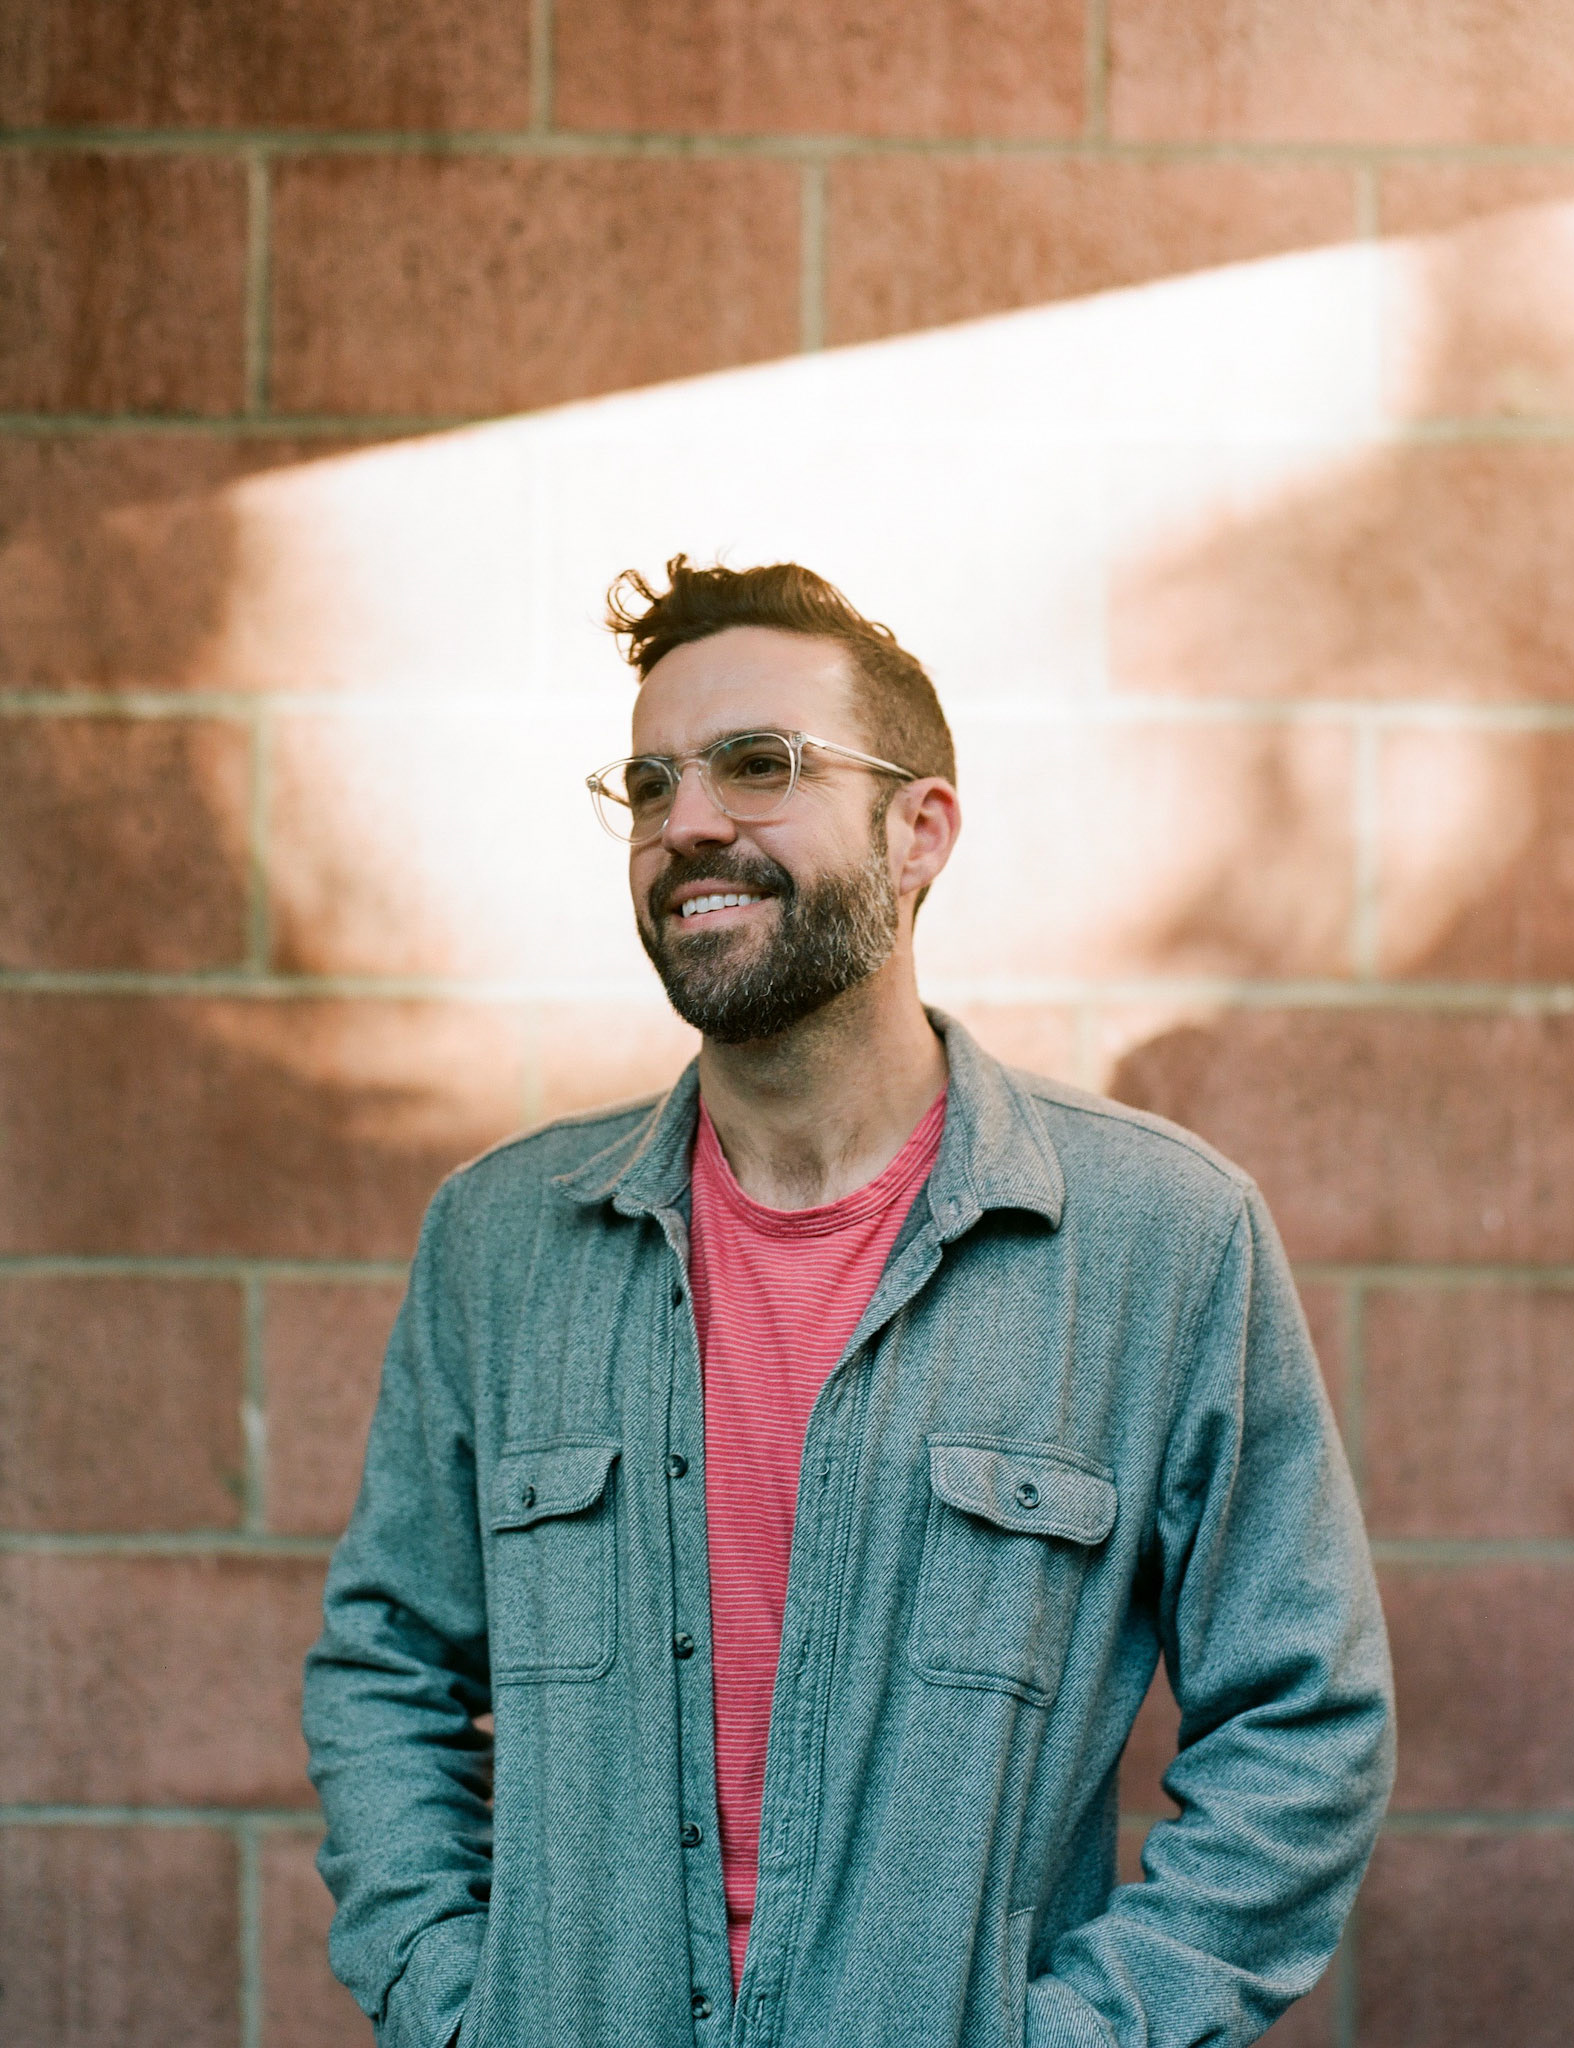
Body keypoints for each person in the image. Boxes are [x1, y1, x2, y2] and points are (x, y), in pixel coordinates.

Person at [303, 558, 1394, 2048]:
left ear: (918, 830)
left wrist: (1088, 2035)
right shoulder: (502, 1243)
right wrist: (450, 2000)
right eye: (650, 783)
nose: (689, 822)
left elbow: (1303, 1721)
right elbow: (386, 1668)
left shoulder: (1161, 1239)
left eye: (760, 765)